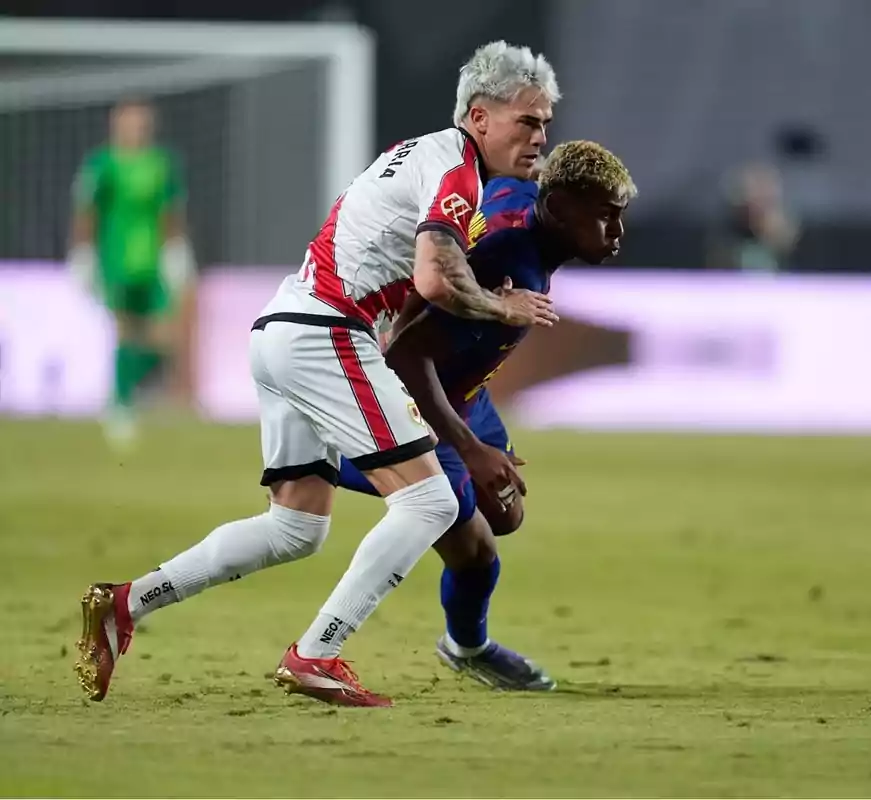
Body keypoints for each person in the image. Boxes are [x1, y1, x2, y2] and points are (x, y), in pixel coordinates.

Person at [74, 41, 561, 708]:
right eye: (527, 121)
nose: (540, 138)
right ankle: (317, 654)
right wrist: (498, 302)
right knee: (430, 500)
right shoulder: (455, 172)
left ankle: (125, 603)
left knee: (294, 528)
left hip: (284, 326)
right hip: (327, 332)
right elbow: (432, 276)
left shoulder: (417, 153)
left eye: (545, 124)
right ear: (479, 116)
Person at [338, 140, 636, 691]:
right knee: (476, 549)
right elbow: (406, 356)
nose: (617, 233)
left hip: (464, 397)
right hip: (416, 406)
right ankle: (467, 646)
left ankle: (352, 459)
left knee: (506, 514)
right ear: (561, 209)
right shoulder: (511, 268)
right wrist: (470, 450)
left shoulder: (520, 193)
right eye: (605, 218)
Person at [68, 98, 197, 449]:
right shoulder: (102, 164)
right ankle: (121, 408)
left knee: (163, 338)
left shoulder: (162, 163)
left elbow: (171, 210)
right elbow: (87, 211)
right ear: (117, 126)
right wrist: (83, 252)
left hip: (153, 261)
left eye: (142, 123)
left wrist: (177, 251)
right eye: (130, 123)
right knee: (125, 331)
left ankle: (120, 393)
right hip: (116, 261)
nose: (136, 129)